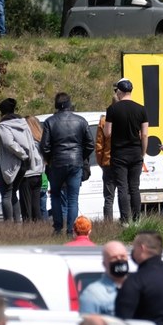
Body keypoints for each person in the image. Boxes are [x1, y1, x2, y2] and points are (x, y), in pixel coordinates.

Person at [114, 231, 163, 325]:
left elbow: (122, 321)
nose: (133, 252)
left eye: (134, 247)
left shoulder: (136, 280)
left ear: (142, 248)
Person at [41, 92, 93, 236]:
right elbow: (90, 144)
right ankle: (71, 230)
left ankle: (58, 228)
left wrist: (50, 159)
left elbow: (44, 146)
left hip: (56, 163)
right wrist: (81, 157)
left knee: (56, 194)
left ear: (56, 105)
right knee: (73, 198)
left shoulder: (50, 122)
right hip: (75, 163)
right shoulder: (81, 121)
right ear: (70, 104)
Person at [105, 78, 149, 224]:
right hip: (136, 152)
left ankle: (125, 220)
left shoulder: (112, 109)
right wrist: (142, 152)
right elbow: (144, 134)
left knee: (122, 187)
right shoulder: (141, 109)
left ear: (120, 91)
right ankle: (137, 219)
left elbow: (107, 133)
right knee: (134, 187)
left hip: (119, 153)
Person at [0, 99, 34, 223]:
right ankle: (17, 223)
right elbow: (30, 142)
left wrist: (21, 153)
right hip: (23, 164)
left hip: (10, 165)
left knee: (6, 194)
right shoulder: (23, 124)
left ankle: (8, 224)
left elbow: (8, 143)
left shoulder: (3, 126)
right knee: (13, 193)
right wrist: (27, 157)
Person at [79, 241, 130, 316]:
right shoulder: (93, 294)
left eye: (122, 256)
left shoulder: (138, 287)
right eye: (113, 258)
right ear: (104, 264)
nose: (119, 260)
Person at [20, 116, 46, 222]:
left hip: (27, 174)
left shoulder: (26, 140)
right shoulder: (41, 140)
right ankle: (38, 225)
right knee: (36, 205)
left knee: (26, 206)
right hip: (38, 174)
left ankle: (28, 226)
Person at [96, 113, 114, 222]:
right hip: (125, 162)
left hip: (108, 161)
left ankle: (108, 223)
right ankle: (127, 221)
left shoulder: (104, 121)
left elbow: (99, 145)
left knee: (108, 198)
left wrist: (100, 162)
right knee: (125, 193)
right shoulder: (130, 116)